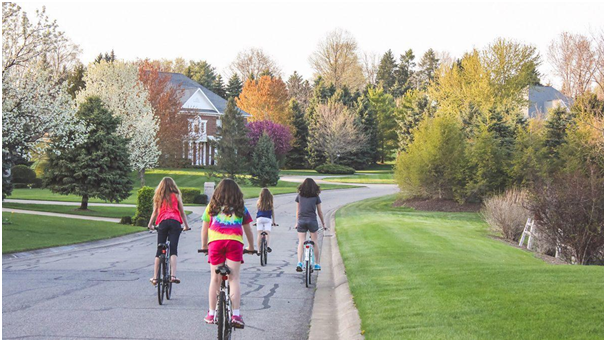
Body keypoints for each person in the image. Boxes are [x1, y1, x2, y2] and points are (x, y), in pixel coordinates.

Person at [201, 178, 256, 328]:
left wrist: (204, 246)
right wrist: (251, 246)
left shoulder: (211, 207)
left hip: (216, 243)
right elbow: (248, 230)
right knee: (234, 278)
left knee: (215, 278)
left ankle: (211, 313)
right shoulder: (241, 208)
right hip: (234, 243)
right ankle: (236, 314)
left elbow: (205, 229)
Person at [148, 177, 190, 285]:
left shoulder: (159, 196)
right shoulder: (176, 195)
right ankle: (173, 276)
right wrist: (186, 225)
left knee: (159, 249)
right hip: (175, 222)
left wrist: (150, 225)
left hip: (162, 222)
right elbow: (182, 212)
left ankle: (155, 278)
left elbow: (154, 213)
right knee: (173, 249)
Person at [294, 178, 326, 272]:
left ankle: (299, 262)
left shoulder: (299, 196)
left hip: (301, 221)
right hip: (312, 221)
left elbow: (298, 210)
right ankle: (316, 264)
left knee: (301, 241)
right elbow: (319, 211)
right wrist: (323, 224)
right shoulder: (316, 197)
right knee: (315, 241)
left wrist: (297, 222)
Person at [256, 188, 276, 253]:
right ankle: (267, 246)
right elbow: (272, 212)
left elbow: (257, 212)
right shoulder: (270, 202)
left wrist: (256, 221)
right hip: (267, 219)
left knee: (259, 233)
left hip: (259, 219)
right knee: (267, 233)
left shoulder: (258, 202)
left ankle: (259, 250)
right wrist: (273, 221)